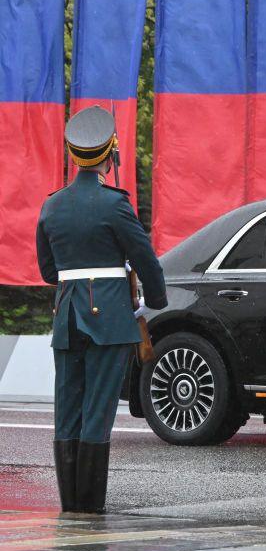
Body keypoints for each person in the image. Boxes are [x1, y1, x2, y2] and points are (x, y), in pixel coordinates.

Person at [35, 106, 167, 514]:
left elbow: (47, 271)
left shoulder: (52, 205)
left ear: (75, 156)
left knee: (68, 407)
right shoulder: (115, 205)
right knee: (97, 410)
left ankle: (71, 503)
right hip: (108, 317)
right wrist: (156, 300)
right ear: (110, 154)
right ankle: (91, 505)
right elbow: (144, 258)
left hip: (67, 315)